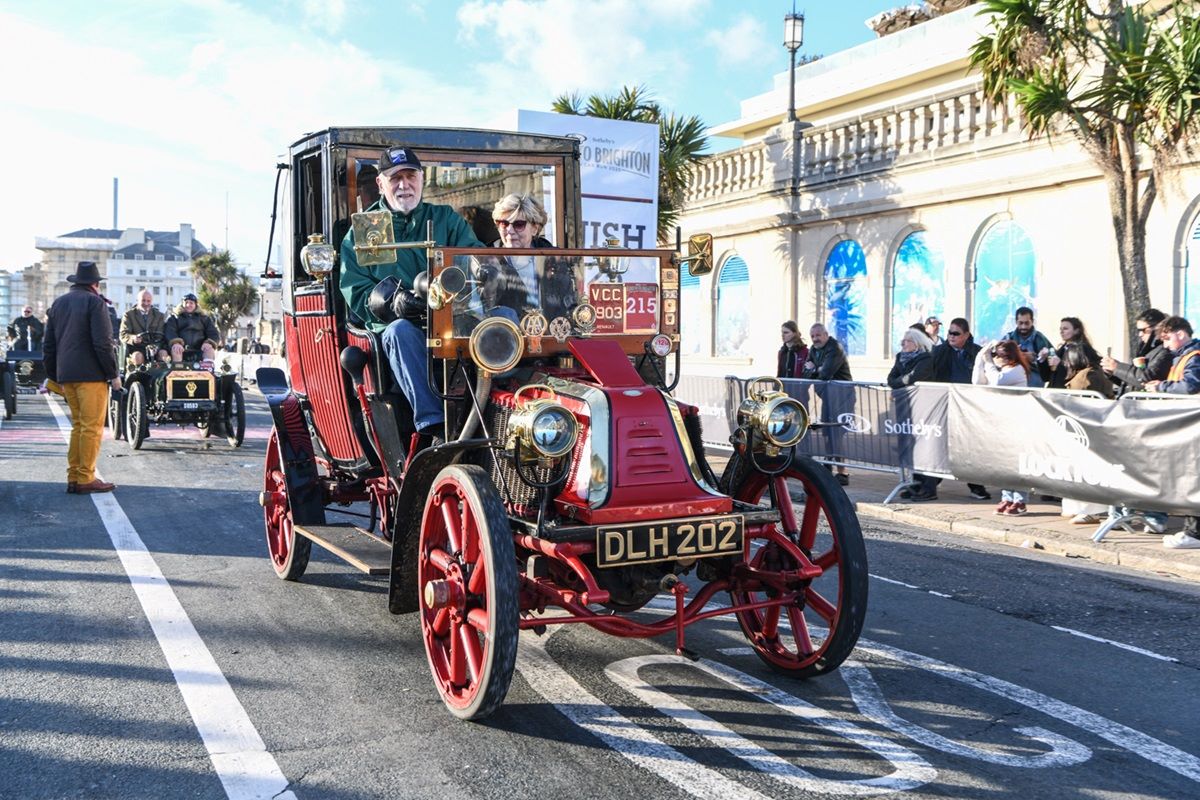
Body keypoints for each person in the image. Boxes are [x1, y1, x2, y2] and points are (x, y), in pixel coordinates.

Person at [339, 145, 483, 442]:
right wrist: (393, 302)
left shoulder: (444, 218)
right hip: (396, 329)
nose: (404, 185)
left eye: (410, 177)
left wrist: (484, 272)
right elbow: (357, 289)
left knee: (500, 321)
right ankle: (434, 427)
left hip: (449, 321)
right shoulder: (365, 230)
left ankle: (502, 410)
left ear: (422, 179)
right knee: (400, 331)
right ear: (380, 184)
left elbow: (474, 257)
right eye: (395, 178)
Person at [42, 261, 120, 494]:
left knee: (78, 426)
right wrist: (113, 374)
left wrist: (54, 376)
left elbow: (48, 346)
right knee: (91, 428)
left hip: (67, 376)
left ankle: (74, 476)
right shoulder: (95, 303)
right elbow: (103, 343)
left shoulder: (58, 303)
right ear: (95, 284)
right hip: (91, 376)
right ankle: (86, 478)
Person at [1142, 316, 1200, 550]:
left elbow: (1190, 386)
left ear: (1181, 334)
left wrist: (1161, 387)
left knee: (1193, 479)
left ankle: (1194, 533)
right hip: (1189, 426)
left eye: (1167, 339)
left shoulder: (1194, 357)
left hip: (1193, 427)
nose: (1165, 345)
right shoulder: (1185, 356)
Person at [921, 317, 991, 501]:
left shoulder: (976, 352)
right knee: (938, 446)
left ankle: (976, 486)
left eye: (956, 333)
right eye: (949, 333)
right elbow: (929, 373)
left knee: (969, 447)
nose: (951, 336)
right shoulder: (939, 351)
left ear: (966, 335)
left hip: (969, 407)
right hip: (944, 405)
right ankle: (928, 487)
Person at [481, 193, 579, 322]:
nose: (510, 230)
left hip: (550, 332)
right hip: (505, 333)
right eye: (504, 223)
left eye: (518, 224)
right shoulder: (486, 262)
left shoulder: (555, 261)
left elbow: (569, 306)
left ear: (535, 229)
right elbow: (478, 310)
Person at [1058, 342, 1115, 524]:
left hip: (1086, 430)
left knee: (1085, 469)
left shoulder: (1087, 376)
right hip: (1088, 428)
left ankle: (1089, 510)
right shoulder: (1091, 373)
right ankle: (1079, 507)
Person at [983, 340, 1030, 515]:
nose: (995, 358)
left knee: (1016, 462)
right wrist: (982, 359)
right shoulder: (1002, 370)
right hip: (1003, 420)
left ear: (1007, 357)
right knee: (1004, 461)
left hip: (1017, 421)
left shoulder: (1016, 370)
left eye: (998, 355)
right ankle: (1007, 497)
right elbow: (979, 380)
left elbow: (996, 381)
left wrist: (988, 361)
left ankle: (1020, 500)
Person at [805, 323, 853, 484]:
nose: (815, 339)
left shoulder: (835, 348)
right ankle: (828, 467)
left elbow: (826, 373)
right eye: (812, 336)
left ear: (826, 335)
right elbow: (806, 373)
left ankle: (842, 472)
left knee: (837, 434)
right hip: (827, 396)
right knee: (826, 432)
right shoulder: (813, 350)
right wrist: (816, 370)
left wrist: (814, 369)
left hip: (842, 396)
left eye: (818, 335)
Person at [1101, 308, 1171, 394]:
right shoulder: (1145, 349)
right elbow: (1132, 383)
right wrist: (1112, 373)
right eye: (1138, 330)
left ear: (1157, 328)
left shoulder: (1165, 350)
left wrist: (1117, 367)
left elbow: (1146, 379)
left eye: (1144, 330)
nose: (1140, 334)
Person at [1002, 306, 1053, 387]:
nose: (1023, 327)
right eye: (1020, 323)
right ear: (1016, 322)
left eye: (1027, 323)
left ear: (1032, 321)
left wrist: (1038, 358)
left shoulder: (1040, 338)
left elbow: (1053, 355)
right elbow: (997, 356)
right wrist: (1021, 356)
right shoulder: (1009, 338)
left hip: (1034, 385)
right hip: (1014, 383)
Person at [165, 293, 219, 364]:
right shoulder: (174, 318)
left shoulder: (204, 318)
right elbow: (170, 331)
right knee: (176, 350)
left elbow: (213, 333)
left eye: (191, 303)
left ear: (196, 304)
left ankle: (207, 369)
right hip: (181, 348)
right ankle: (178, 369)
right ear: (182, 304)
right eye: (186, 303)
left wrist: (209, 343)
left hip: (200, 348)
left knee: (209, 349)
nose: (188, 305)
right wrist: (176, 343)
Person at [119, 288, 168, 367]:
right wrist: (133, 338)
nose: (146, 303)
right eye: (143, 300)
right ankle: (139, 374)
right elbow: (123, 334)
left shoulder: (159, 315)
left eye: (148, 301)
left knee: (163, 354)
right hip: (137, 348)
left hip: (155, 346)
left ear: (151, 301)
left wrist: (156, 346)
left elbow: (161, 334)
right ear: (137, 300)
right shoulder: (129, 315)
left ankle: (161, 374)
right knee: (137, 356)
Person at [1049, 317, 1101, 388]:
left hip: (1071, 391)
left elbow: (1074, 373)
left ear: (1076, 331)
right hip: (1058, 390)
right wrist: (1042, 360)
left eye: (1065, 329)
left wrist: (1060, 364)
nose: (1061, 332)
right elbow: (1047, 376)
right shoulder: (1063, 348)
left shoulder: (1082, 349)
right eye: (1060, 329)